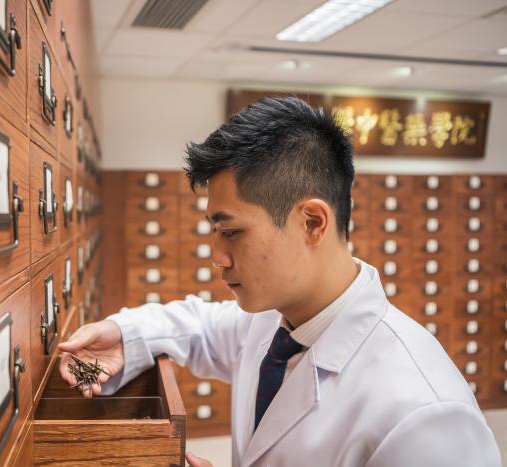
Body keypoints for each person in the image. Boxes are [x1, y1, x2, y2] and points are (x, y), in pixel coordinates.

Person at [58, 97, 501, 467]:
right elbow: (200, 328)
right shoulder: (278, 320)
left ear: (312, 222)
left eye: (231, 231)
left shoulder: (424, 414)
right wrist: (125, 336)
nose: (217, 256)